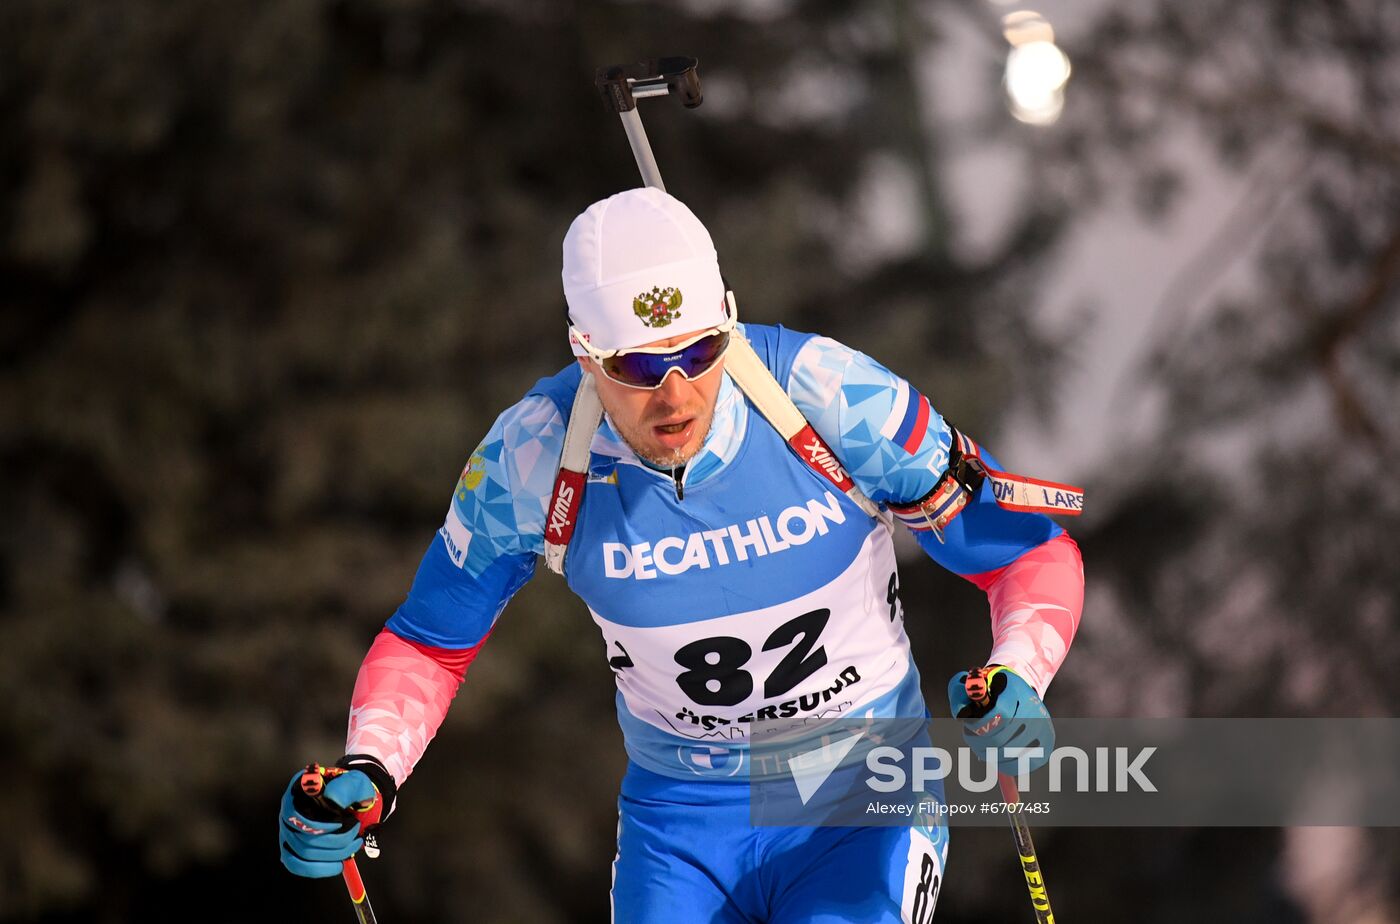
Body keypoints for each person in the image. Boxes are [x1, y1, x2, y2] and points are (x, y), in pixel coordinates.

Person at [278, 187, 1085, 921]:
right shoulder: (531, 457)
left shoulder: (834, 399)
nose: (675, 394)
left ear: (727, 320)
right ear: (584, 354)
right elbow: (430, 640)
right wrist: (370, 769)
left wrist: (1018, 672)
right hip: (684, 819)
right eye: (636, 366)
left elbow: (1025, 552)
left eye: (699, 351)